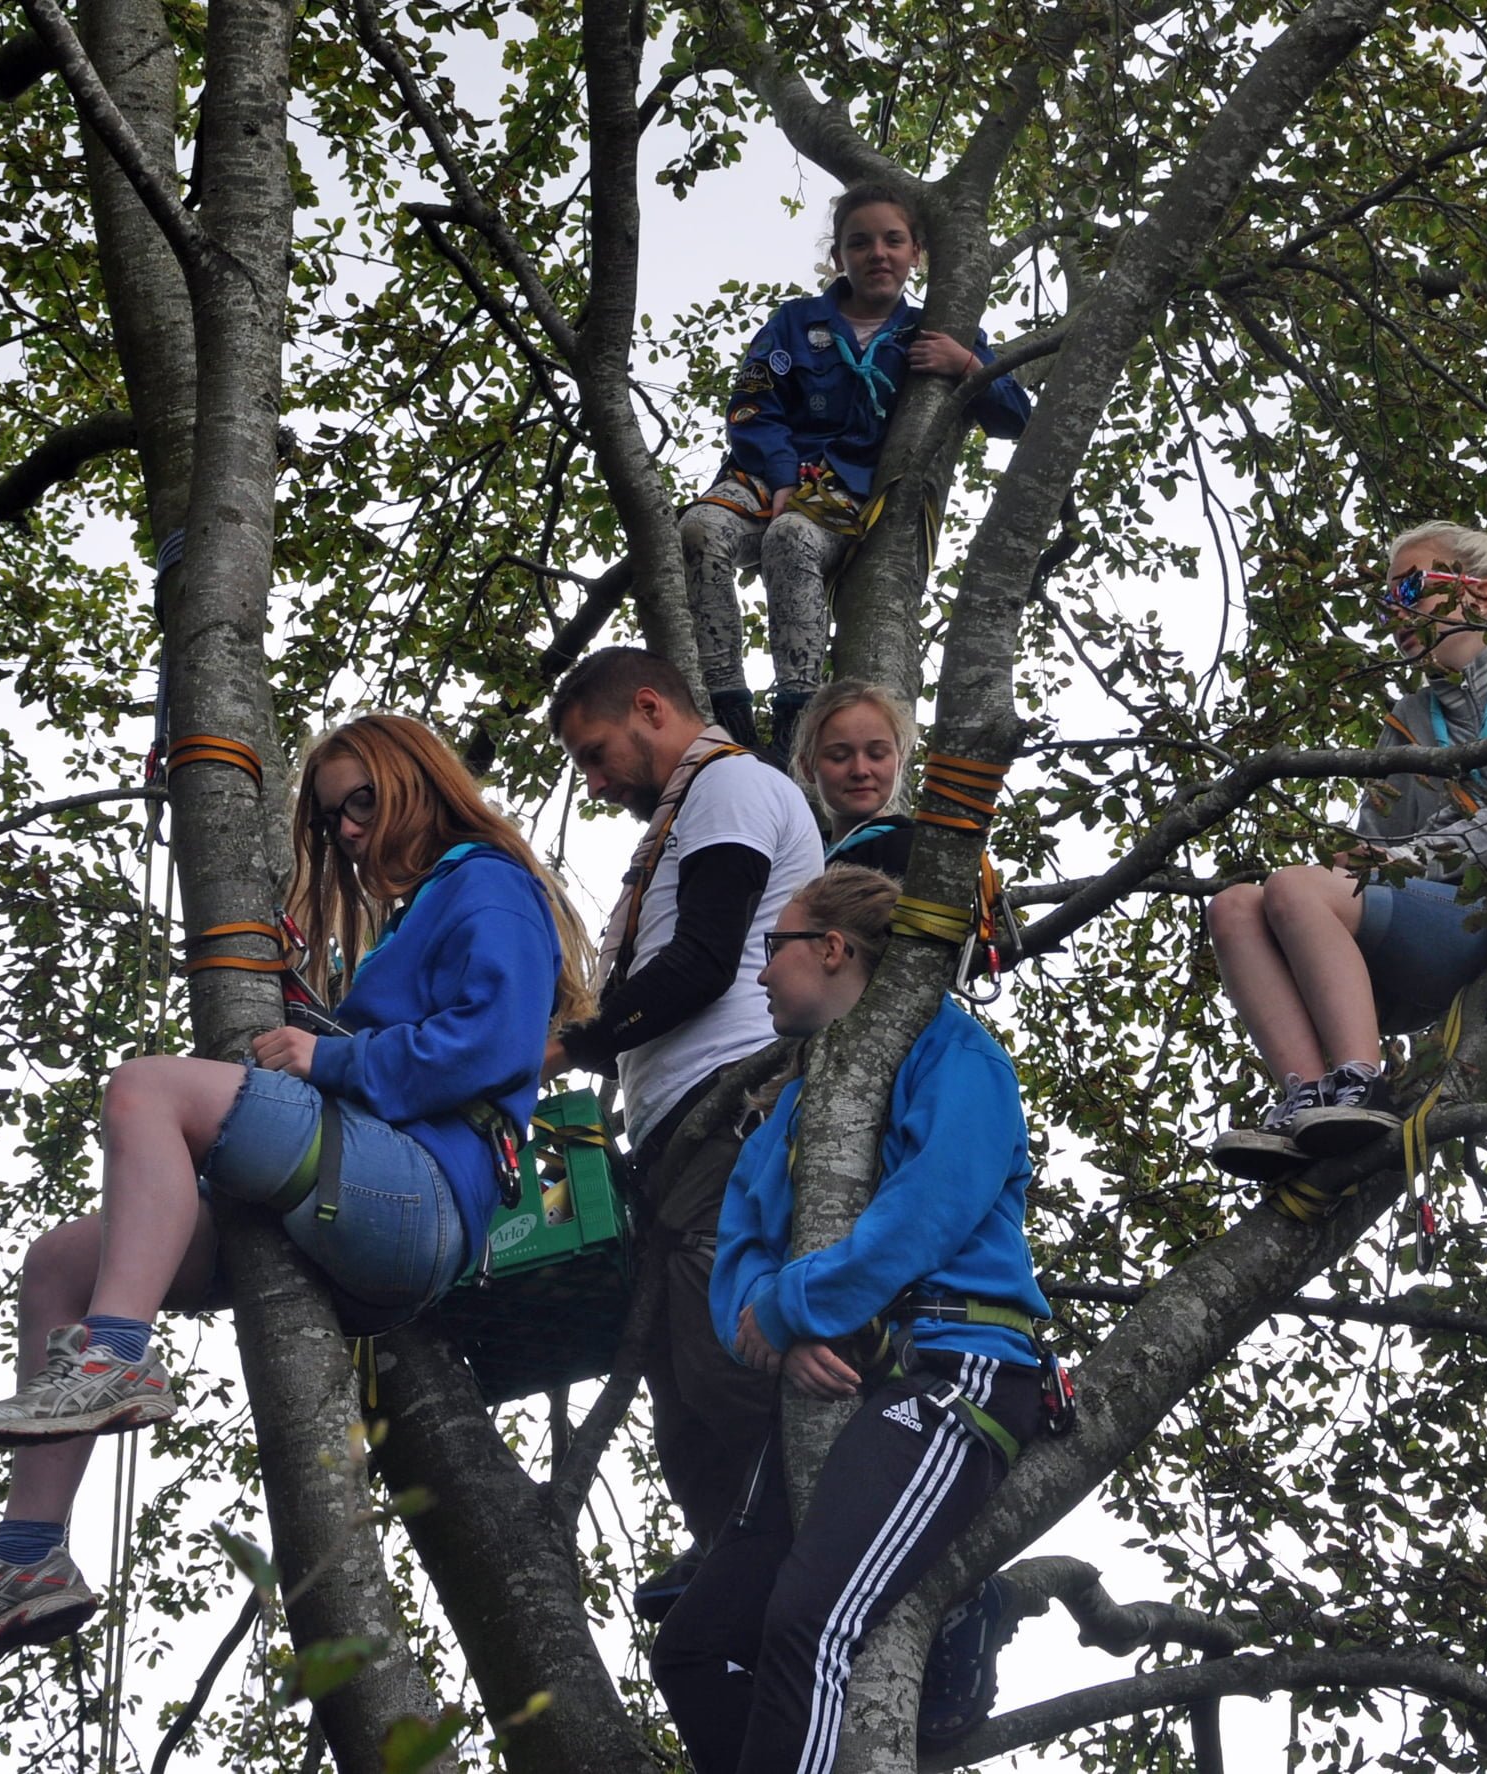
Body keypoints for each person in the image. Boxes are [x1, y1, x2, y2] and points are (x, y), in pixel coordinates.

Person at [0, 714, 593, 1681]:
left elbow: (493, 1043)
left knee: (146, 1089)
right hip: (364, 1193)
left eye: (362, 802)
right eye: (332, 818)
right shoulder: (414, 916)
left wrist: (330, 1057)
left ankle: (117, 1357)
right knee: (60, 1264)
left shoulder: (487, 883)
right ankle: (27, 1556)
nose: (349, 831)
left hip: (421, 1193)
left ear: (417, 781)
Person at [651, 867, 1053, 1770]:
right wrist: (776, 1332)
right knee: (693, 1647)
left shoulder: (958, 1056)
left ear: (831, 949)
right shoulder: (790, 1110)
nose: (761, 973)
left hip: (956, 1365)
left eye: (774, 948)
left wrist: (792, 1309)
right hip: (846, 1387)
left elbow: (924, 1215)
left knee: (812, 1620)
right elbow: (741, 1249)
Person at [546, 646, 823, 1620]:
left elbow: (705, 962)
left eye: (596, 752)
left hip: (735, 1102)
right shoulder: (681, 816)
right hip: (675, 1128)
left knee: (722, 1348)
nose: (594, 781)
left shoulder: (730, 786)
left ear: (651, 707)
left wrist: (568, 1044)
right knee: (678, 1387)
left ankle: (816, 1535)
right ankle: (735, 1562)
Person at [1207, 522, 1487, 1181]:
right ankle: (1307, 1099)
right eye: (1384, 602)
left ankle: (1360, 1084)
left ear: (1478, 593)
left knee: (1295, 887)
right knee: (1234, 906)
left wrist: (1397, 862)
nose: (1394, 612)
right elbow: (1381, 840)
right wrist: (1362, 859)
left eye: (1410, 589)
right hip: (1416, 930)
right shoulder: (1412, 716)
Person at [680, 183, 1031, 760]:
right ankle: (727, 703)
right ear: (839, 256)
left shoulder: (932, 329)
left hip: (846, 493)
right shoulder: (795, 323)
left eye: (893, 240)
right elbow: (752, 406)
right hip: (766, 477)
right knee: (698, 529)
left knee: (791, 538)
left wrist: (967, 364)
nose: (878, 254)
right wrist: (783, 476)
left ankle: (795, 714)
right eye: (860, 242)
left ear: (916, 252)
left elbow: (1016, 416)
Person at [788, 678, 919, 876]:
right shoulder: (796, 857)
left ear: (899, 762)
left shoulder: (913, 851)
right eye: (839, 756)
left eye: (876, 754)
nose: (860, 770)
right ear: (807, 767)